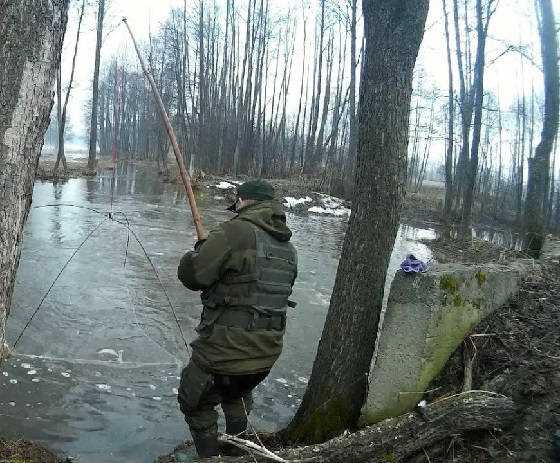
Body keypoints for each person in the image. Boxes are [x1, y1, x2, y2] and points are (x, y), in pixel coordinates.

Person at [177, 179, 298, 458]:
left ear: (241, 201)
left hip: (224, 352)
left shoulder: (235, 231)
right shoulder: (288, 248)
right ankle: (237, 452)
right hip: (266, 355)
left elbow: (194, 275)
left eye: (237, 203)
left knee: (193, 401)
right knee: (236, 392)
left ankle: (211, 458)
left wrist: (196, 252)